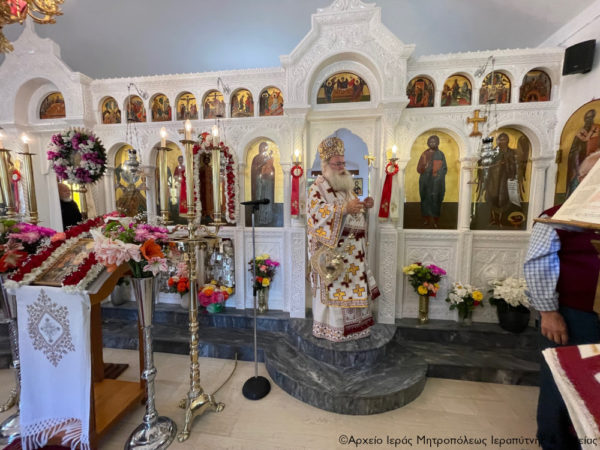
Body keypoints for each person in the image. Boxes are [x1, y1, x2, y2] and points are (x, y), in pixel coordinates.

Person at [524, 150, 600, 450]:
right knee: (564, 382)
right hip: (573, 316)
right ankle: (556, 442)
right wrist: (548, 312)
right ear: (580, 179)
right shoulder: (557, 217)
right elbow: (539, 263)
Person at [306, 136, 380, 342]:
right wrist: (344, 209)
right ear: (325, 165)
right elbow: (316, 216)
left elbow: (353, 212)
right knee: (335, 292)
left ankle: (357, 329)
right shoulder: (317, 188)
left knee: (354, 288)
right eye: (337, 164)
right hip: (333, 255)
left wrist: (363, 205)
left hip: (353, 256)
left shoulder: (345, 186)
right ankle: (332, 330)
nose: (341, 167)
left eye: (343, 163)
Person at [478, 132, 517, 226]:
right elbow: (485, 163)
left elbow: (514, 165)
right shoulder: (492, 152)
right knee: (493, 197)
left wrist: (508, 164)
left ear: (508, 141)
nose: (502, 141)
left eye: (504, 139)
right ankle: (493, 218)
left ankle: (501, 219)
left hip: (505, 180)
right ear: (497, 141)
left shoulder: (511, 152)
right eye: (500, 139)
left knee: (503, 199)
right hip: (493, 179)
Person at [566, 109, 600, 197]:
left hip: (590, 156)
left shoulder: (596, 128)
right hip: (580, 157)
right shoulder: (582, 130)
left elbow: (588, 140)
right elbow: (577, 143)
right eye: (587, 118)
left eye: (590, 117)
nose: (589, 120)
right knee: (576, 176)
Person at [416, 135, 447, 227]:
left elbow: (444, 168)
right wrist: (424, 167)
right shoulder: (424, 154)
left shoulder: (440, 154)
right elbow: (418, 168)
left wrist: (438, 175)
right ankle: (426, 219)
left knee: (436, 199)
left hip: (436, 182)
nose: (432, 143)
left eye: (434, 142)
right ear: (428, 143)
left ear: (437, 143)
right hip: (425, 181)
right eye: (430, 141)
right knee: (425, 199)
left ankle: (435, 221)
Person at [250, 142, 275, 225]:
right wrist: (261, 165)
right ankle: (259, 219)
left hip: (268, 182)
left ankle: (267, 219)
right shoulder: (256, 158)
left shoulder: (268, 157)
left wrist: (269, 167)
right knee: (260, 197)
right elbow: (254, 169)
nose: (264, 149)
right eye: (262, 147)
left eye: (265, 148)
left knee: (267, 198)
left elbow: (272, 169)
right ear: (260, 148)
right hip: (259, 182)